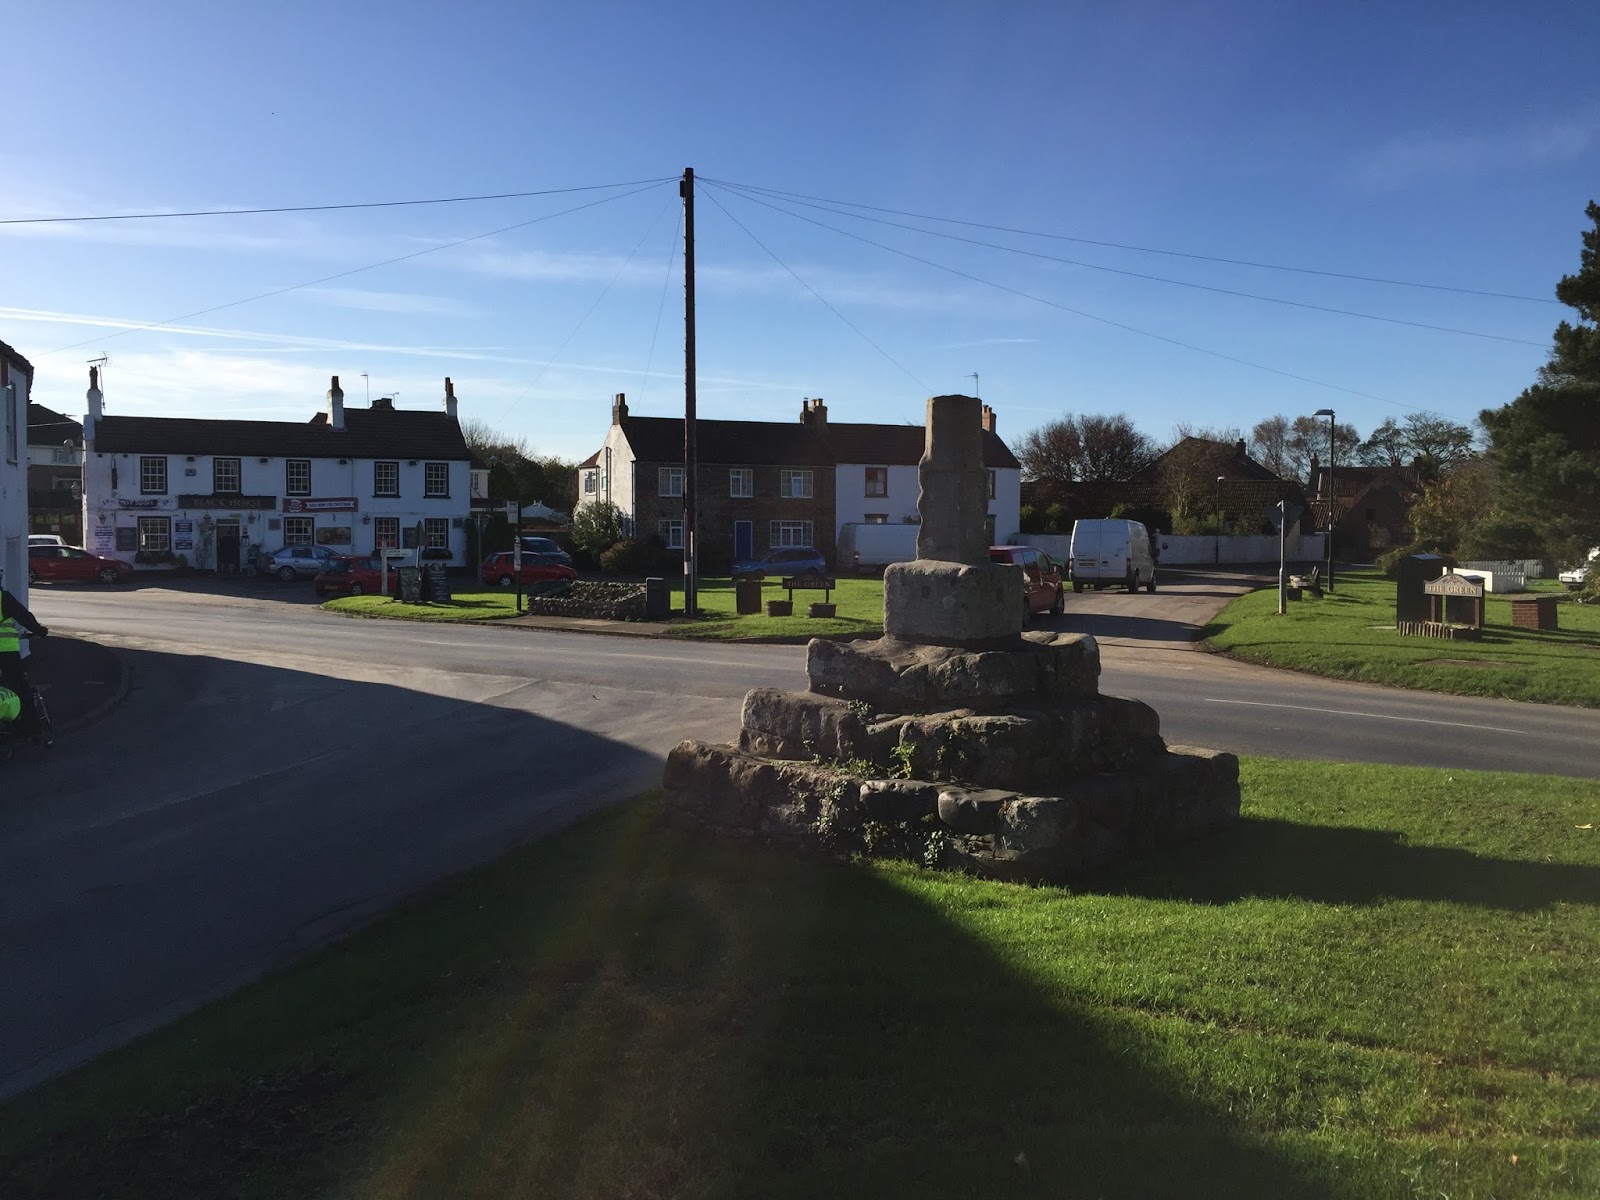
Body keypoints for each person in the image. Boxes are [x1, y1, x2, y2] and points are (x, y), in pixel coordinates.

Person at [0, 573, 48, 743]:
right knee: (20, 688)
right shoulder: (3, 598)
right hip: (6, 652)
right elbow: (23, 616)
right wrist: (39, 630)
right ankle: (33, 730)